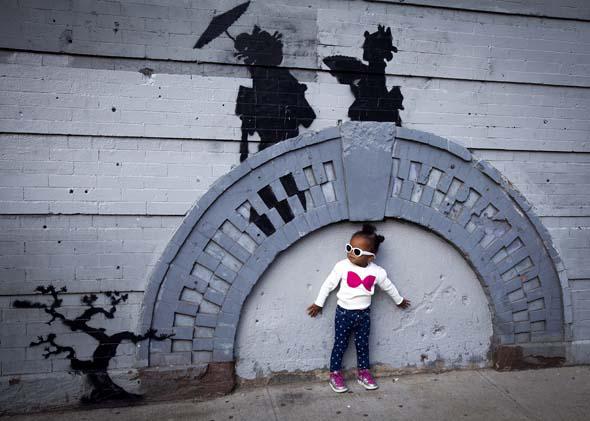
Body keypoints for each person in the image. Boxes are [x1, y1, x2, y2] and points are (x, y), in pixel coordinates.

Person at [307, 223, 411, 393]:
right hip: (343, 314)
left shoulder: (378, 272)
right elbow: (328, 284)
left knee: (363, 345)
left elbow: (389, 287)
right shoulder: (342, 266)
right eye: (349, 247)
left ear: (371, 257)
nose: (350, 253)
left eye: (356, 251)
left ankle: (363, 373)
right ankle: (334, 374)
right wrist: (319, 303)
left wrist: (399, 300)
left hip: (364, 315)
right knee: (340, 345)